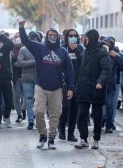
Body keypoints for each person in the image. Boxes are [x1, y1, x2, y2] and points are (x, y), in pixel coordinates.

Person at [19, 20, 75, 149]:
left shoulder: (63, 52)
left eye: (55, 36)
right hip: (41, 86)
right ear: (46, 36)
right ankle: (42, 135)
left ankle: (51, 139)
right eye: (50, 35)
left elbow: (69, 71)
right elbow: (26, 41)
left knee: (55, 115)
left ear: (58, 37)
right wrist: (21, 28)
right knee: (38, 112)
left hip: (57, 88)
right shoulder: (39, 47)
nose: (52, 37)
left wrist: (71, 88)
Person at [74, 29, 110, 150]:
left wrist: (100, 82)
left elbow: (106, 69)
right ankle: (83, 138)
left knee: (97, 116)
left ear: (92, 39)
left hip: (96, 89)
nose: (84, 40)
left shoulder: (102, 52)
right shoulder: (86, 52)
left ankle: (96, 139)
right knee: (81, 115)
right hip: (83, 88)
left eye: (86, 38)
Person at [58, 29, 85, 142]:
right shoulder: (62, 49)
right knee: (65, 108)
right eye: (71, 35)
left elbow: (84, 62)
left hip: (77, 84)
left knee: (74, 110)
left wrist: (77, 51)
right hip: (65, 84)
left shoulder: (80, 48)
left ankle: (71, 134)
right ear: (66, 36)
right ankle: (61, 131)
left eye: (75, 35)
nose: (73, 37)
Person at [14, 31, 41, 130]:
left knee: (38, 102)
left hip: (40, 80)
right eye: (32, 38)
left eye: (36, 39)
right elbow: (20, 62)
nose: (34, 40)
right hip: (27, 80)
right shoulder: (23, 49)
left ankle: (39, 122)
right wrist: (34, 62)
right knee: (29, 102)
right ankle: (30, 121)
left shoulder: (41, 48)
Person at [0, 30, 15, 129]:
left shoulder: (6, 48)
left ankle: (6, 117)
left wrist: (3, 36)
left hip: (7, 77)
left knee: (8, 100)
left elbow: (11, 44)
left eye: (1, 41)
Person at [102, 37, 123, 133]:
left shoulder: (116, 55)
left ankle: (109, 124)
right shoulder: (101, 53)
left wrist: (116, 56)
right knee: (100, 106)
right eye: (106, 43)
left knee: (110, 105)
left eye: (110, 43)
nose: (108, 45)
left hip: (111, 85)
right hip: (100, 85)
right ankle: (100, 122)